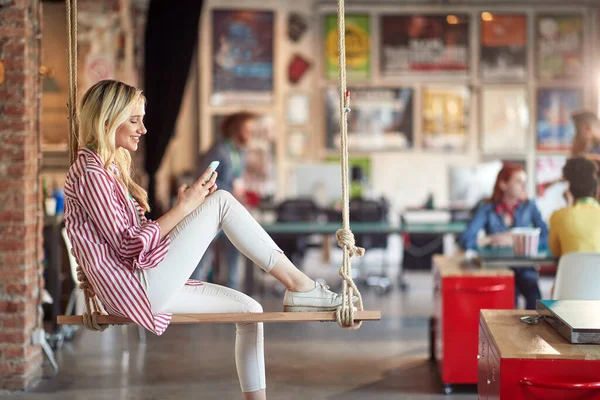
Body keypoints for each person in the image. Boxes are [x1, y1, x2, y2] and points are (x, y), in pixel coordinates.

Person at [63, 80, 353, 400]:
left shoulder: (106, 170)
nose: (143, 129)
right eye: (134, 120)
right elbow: (130, 245)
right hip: (137, 287)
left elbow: (137, 244)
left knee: (250, 310)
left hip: (144, 281)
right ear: (106, 120)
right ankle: (301, 287)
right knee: (223, 202)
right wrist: (184, 208)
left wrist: (187, 214)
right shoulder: (90, 172)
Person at [458, 163, 549, 310]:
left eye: (524, 182)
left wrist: (515, 239)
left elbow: (546, 238)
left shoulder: (529, 206)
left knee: (534, 296)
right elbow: (465, 239)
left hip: (525, 268)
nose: (523, 186)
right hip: (498, 268)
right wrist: (491, 240)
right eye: (518, 181)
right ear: (503, 184)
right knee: (507, 300)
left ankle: (532, 333)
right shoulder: (487, 209)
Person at [191, 112, 256, 289]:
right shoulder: (218, 150)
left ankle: (234, 298)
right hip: (212, 211)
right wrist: (230, 189)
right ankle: (194, 296)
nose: (250, 134)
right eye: (247, 130)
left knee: (235, 256)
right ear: (236, 130)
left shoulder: (239, 152)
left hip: (231, 212)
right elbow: (203, 179)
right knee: (203, 257)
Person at [549, 157, 600, 258]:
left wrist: (569, 205)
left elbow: (556, 252)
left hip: (571, 273)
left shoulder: (558, 216)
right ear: (595, 189)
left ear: (569, 190)